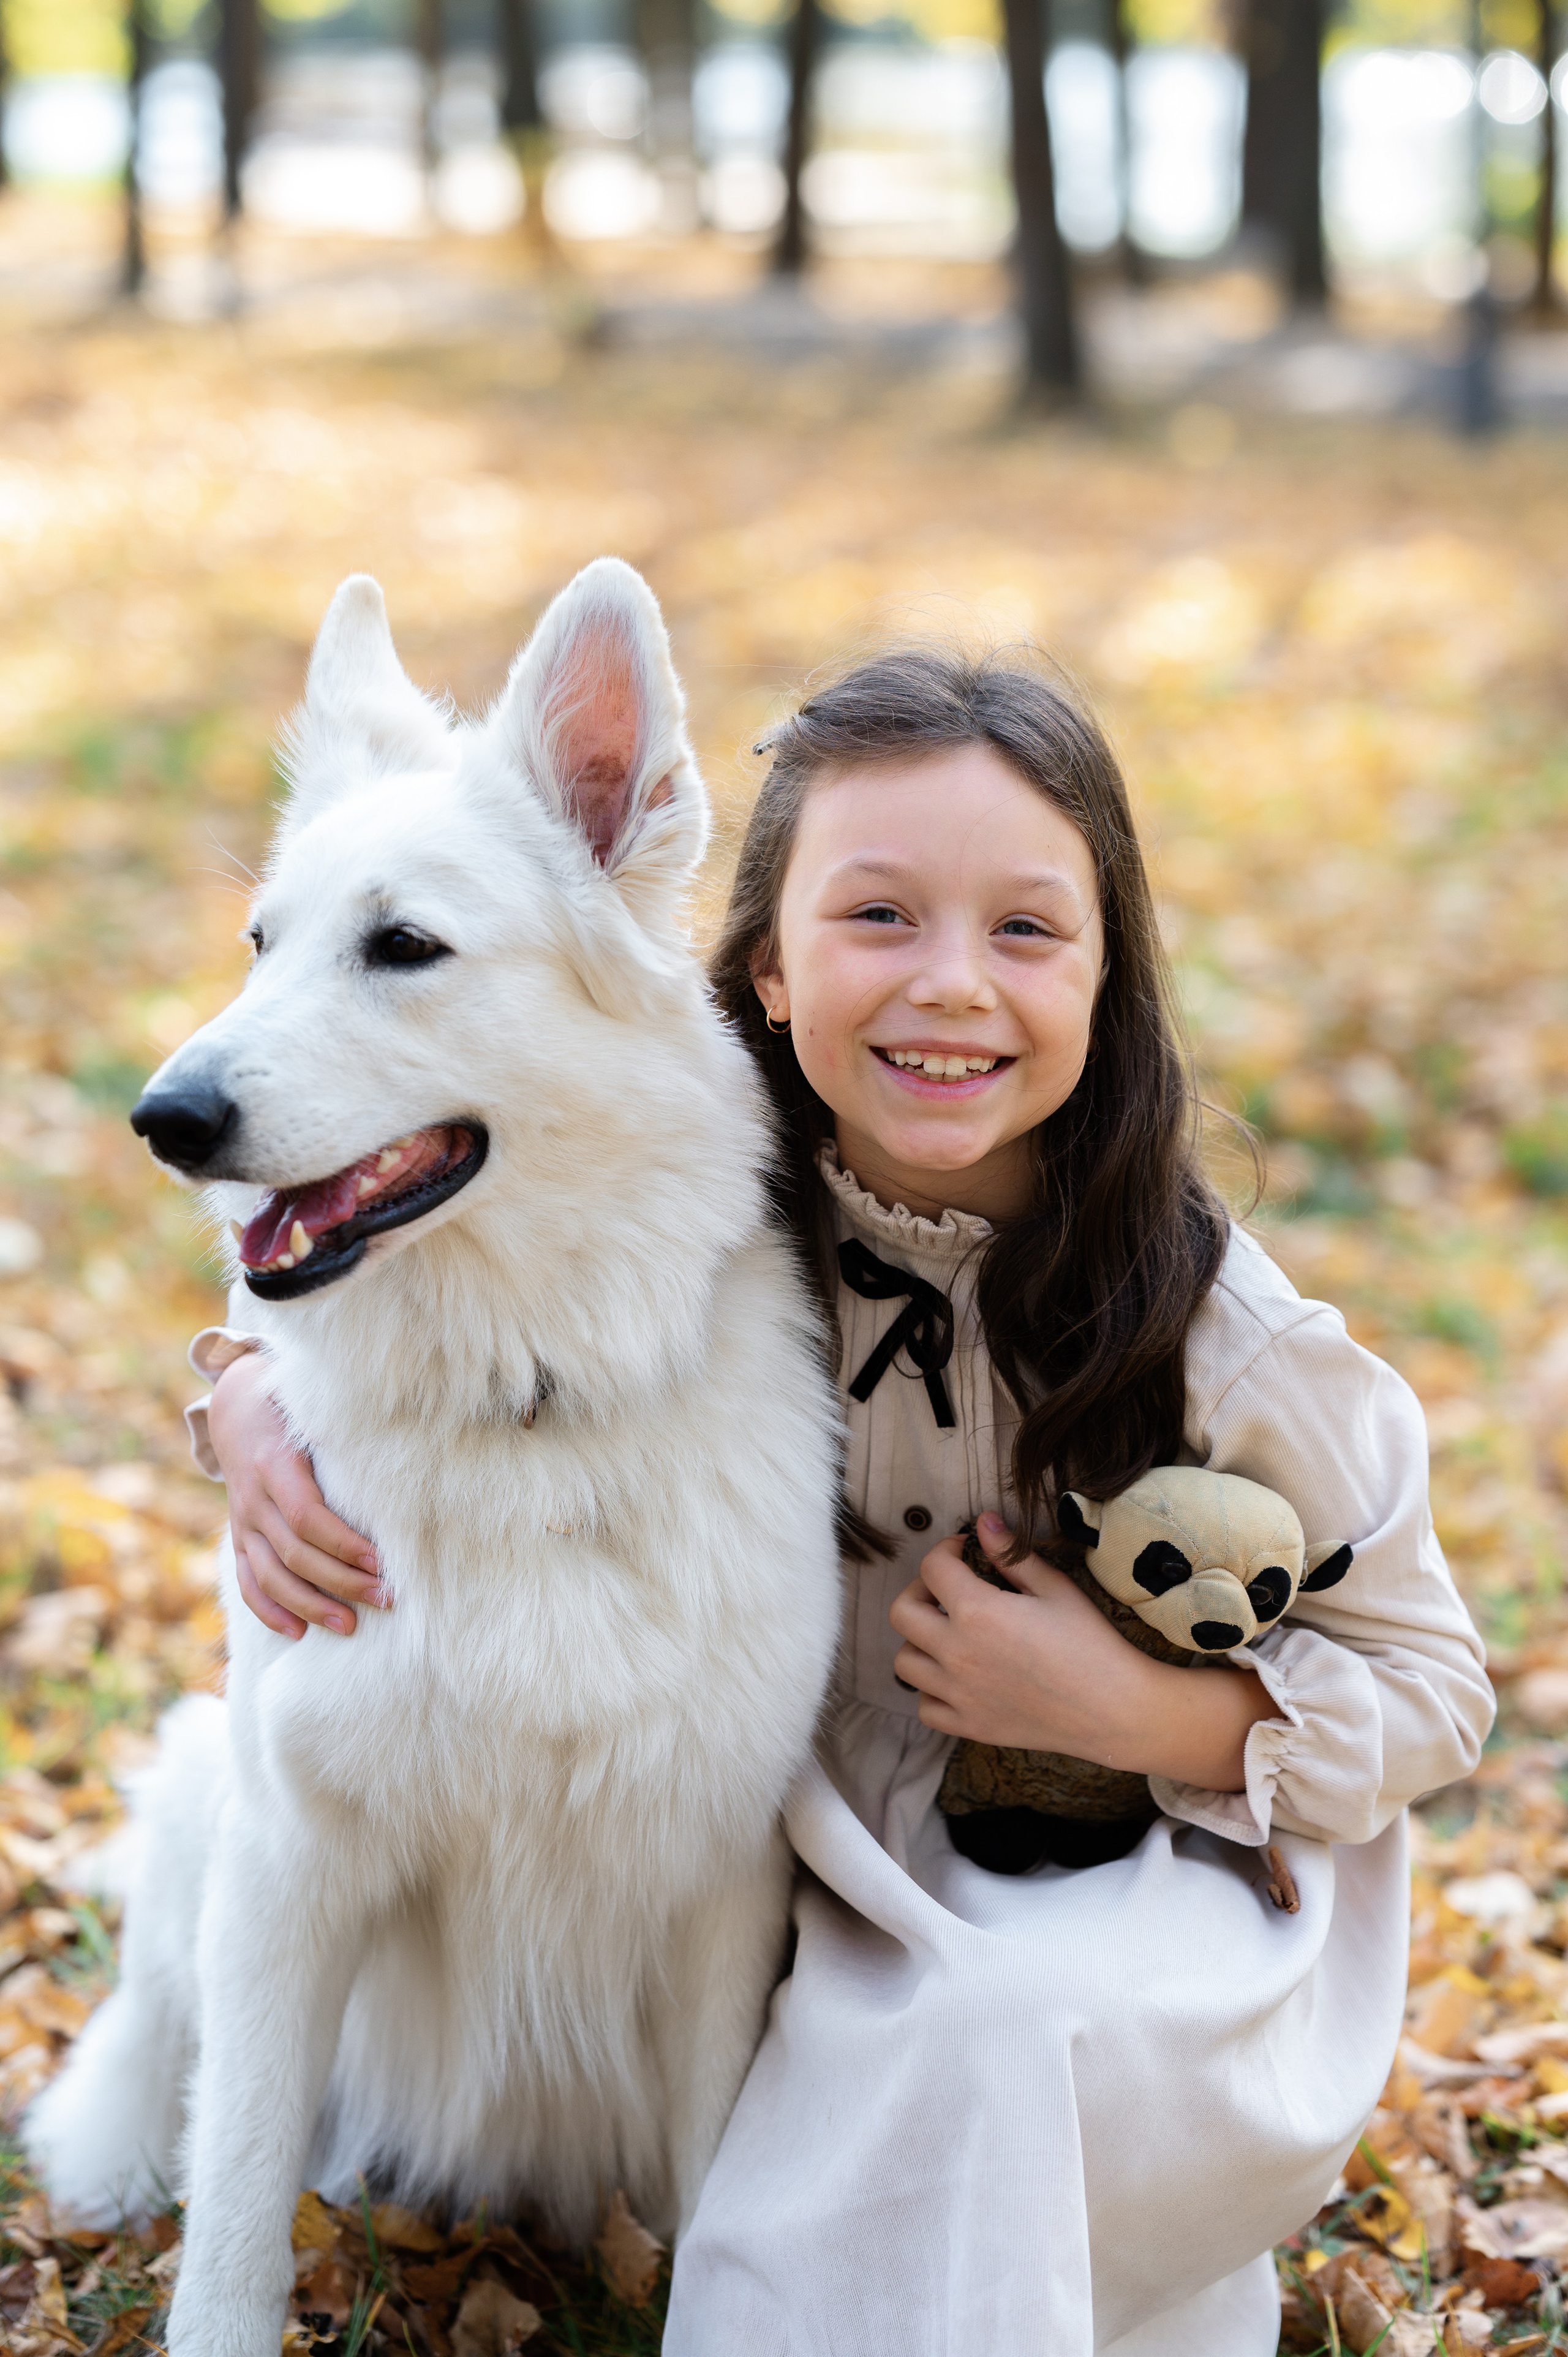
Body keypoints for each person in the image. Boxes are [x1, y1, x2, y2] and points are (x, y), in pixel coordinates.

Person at [189, 646, 1493, 2355]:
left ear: (1110, 978)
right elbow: (438, 1223)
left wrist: (1144, 1705)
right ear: (765, 977)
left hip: (1117, 1878)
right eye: (878, 917)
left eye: (1027, 930)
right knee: (805, 2238)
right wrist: (246, 1392)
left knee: (1010, 2037)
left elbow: (1439, 1684)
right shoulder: (710, 1186)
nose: (951, 986)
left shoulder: (1206, 1326)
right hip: (841, 1888)